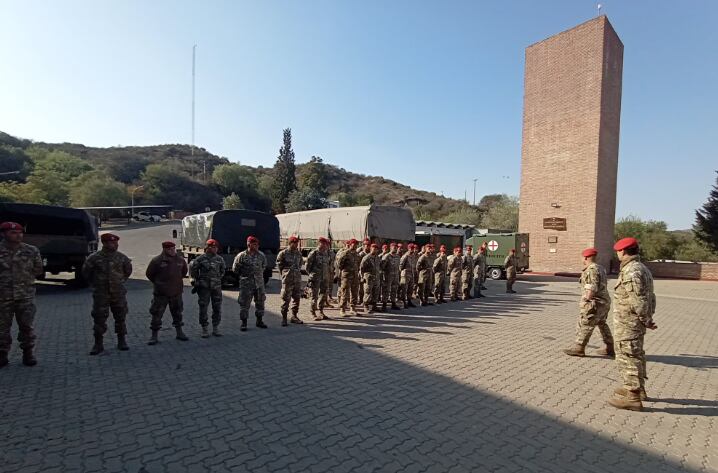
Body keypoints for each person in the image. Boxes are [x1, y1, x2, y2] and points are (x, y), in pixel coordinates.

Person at [607, 237, 657, 412]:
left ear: (623, 252)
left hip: (629, 323)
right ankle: (637, 388)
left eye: (618, 252)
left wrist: (645, 318)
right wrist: (647, 318)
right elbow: (650, 297)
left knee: (628, 356)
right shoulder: (642, 268)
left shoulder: (631, 271)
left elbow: (639, 299)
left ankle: (633, 396)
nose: (618, 254)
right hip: (633, 321)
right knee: (637, 354)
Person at [0, 222, 43, 367]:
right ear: (4, 234)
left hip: (25, 296)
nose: (18, 235)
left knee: (26, 326)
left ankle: (28, 354)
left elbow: (38, 270)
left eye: (20, 232)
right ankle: (2, 355)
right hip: (3, 296)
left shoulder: (31, 250)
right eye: (13, 233)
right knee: (2, 328)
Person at [82, 233, 133, 355]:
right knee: (99, 319)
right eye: (111, 243)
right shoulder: (94, 258)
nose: (114, 245)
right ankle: (98, 344)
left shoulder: (122, 258)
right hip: (101, 294)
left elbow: (128, 271)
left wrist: (120, 281)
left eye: (115, 242)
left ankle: (122, 341)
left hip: (118, 293)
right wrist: (96, 284)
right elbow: (86, 273)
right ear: (104, 243)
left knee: (120, 317)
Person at [563, 248, 614, 357]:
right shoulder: (601, 268)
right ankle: (610, 347)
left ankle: (579, 348)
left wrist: (586, 299)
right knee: (601, 324)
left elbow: (591, 286)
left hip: (594, 302)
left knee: (586, 323)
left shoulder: (591, 269)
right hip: (604, 301)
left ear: (585, 257)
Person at [146, 241, 189, 344]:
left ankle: (179, 332)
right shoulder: (157, 261)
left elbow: (184, 272)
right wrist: (159, 284)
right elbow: (149, 274)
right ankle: (154, 336)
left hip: (176, 293)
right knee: (157, 314)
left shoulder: (180, 260)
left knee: (178, 313)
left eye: (173, 249)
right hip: (161, 294)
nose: (172, 251)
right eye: (170, 249)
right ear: (164, 249)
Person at [189, 239, 226, 338]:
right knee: (203, 308)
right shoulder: (200, 259)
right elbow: (193, 271)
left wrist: (216, 280)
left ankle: (215, 328)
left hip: (216, 288)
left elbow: (222, 271)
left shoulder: (219, 259)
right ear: (208, 248)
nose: (215, 249)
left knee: (217, 307)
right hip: (204, 288)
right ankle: (204, 328)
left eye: (216, 247)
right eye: (213, 247)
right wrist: (196, 281)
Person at [233, 236, 268, 331]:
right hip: (246, 284)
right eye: (254, 244)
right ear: (249, 244)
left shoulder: (261, 255)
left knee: (260, 303)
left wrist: (258, 277)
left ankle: (259, 321)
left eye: (257, 244)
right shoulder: (242, 256)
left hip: (259, 284)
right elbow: (235, 269)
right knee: (244, 304)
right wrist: (245, 276)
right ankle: (244, 323)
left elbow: (264, 267)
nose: (257, 246)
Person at [276, 235, 304, 326]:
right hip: (287, 280)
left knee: (296, 298)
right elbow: (279, 266)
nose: (296, 245)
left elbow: (300, 265)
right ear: (290, 243)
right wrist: (285, 275)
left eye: (297, 243)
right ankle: (284, 318)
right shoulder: (283, 253)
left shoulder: (298, 254)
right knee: (285, 299)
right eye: (294, 243)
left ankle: (294, 316)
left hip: (297, 280)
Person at [305, 237, 332, 321]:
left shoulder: (326, 254)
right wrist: (312, 274)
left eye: (326, 244)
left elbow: (328, 265)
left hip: (324, 278)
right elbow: (307, 267)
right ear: (319, 243)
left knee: (323, 295)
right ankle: (313, 312)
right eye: (323, 243)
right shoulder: (314, 253)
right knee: (314, 296)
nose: (325, 245)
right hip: (315, 278)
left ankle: (321, 311)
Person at [337, 239, 360, 316]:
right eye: (354, 244)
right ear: (350, 244)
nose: (355, 246)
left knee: (354, 292)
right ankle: (342, 309)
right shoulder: (345, 253)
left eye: (356, 244)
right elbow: (339, 264)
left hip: (355, 276)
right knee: (345, 292)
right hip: (347, 276)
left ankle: (352, 308)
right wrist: (344, 271)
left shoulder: (357, 254)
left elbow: (358, 264)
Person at [360, 243, 381, 314]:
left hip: (376, 277)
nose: (374, 250)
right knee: (368, 292)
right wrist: (362, 277)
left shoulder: (378, 258)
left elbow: (379, 267)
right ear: (370, 249)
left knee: (376, 292)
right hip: (368, 278)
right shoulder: (366, 258)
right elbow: (361, 268)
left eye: (376, 249)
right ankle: (365, 306)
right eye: (373, 248)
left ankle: (374, 305)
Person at [381, 243, 401, 311]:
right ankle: (384, 304)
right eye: (393, 247)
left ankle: (393, 303)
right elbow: (382, 267)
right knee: (386, 290)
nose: (395, 248)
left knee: (394, 290)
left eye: (396, 247)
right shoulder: (386, 256)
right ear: (390, 248)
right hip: (388, 276)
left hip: (395, 276)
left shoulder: (398, 256)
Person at [399, 243, 417, 308]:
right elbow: (400, 266)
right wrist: (403, 272)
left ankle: (409, 301)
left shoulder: (413, 256)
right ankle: (403, 302)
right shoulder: (405, 256)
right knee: (404, 289)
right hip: (405, 275)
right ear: (409, 248)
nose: (413, 250)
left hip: (411, 274)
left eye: (413, 248)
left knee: (410, 289)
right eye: (411, 248)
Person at [357, 238, 371, 305]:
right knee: (361, 288)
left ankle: (365, 300)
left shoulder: (370, 254)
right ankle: (360, 300)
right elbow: (358, 264)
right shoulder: (361, 254)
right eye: (365, 244)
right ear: (363, 245)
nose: (367, 246)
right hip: (361, 272)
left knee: (366, 288)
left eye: (368, 244)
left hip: (368, 273)